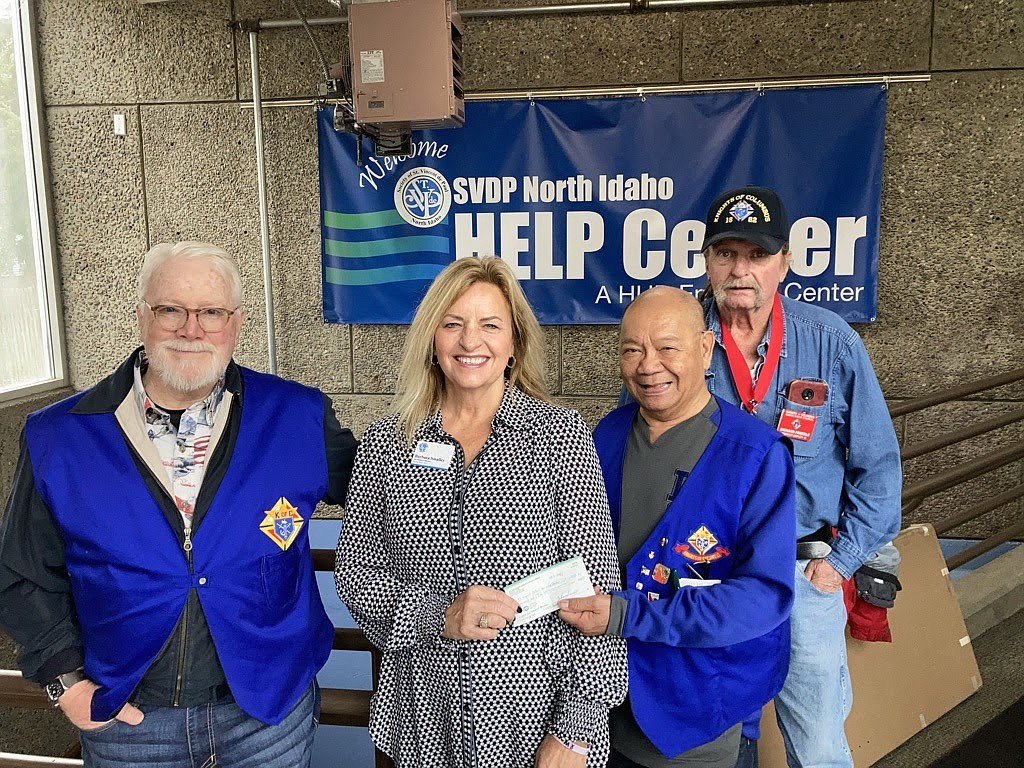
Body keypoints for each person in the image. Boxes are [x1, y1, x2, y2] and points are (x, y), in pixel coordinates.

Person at [0, 241, 358, 767]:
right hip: (128, 722)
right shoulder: (59, 436)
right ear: (142, 316)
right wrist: (66, 682)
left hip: (266, 717)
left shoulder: (298, 417)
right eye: (171, 309)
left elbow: (391, 495)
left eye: (211, 312)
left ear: (236, 322)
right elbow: (24, 574)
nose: (191, 329)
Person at [335, 255, 628, 768]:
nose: (471, 341)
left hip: (536, 720)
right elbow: (355, 574)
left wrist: (577, 729)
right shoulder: (388, 442)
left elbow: (593, 593)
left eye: (490, 325)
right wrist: (436, 615)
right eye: (453, 324)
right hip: (420, 720)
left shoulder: (561, 437)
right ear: (432, 339)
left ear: (514, 342)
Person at [697, 186, 902, 767]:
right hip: (705, 578)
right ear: (707, 260)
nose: (740, 270)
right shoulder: (677, 338)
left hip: (800, 577)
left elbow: (879, 468)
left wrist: (838, 563)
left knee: (817, 749)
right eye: (726, 253)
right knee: (710, 743)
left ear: (784, 262)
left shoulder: (831, 343)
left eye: (756, 255)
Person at [559, 286, 796, 768]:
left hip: (697, 721)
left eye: (667, 347)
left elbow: (763, 597)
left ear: (705, 348)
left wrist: (629, 617)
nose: (648, 365)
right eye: (632, 349)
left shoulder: (755, 454)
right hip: (599, 714)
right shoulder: (606, 434)